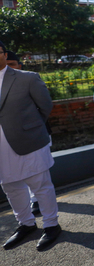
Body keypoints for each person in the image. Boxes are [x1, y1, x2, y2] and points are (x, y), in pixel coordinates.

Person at [0, 41, 62, 251]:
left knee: (40, 185)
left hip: (28, 142)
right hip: (1, 149)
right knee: (11, 187)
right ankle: (26, 224)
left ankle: (51, 225)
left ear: (4, 54)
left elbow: (45, 106)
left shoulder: (27, 78)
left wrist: (29, 129)